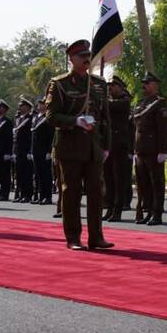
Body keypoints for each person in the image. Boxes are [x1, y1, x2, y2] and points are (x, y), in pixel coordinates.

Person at [44, 39, 113, 250]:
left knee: (96, 193)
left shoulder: (99, 84)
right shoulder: (60, 84)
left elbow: (105, 118)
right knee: (71, 193)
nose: (86, 59)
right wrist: (75, 121)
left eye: (88, 55)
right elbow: (51, 116)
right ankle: (73, 238)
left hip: (93, 148)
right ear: (71, 59)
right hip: (70, 147)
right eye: (81, 56)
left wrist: (106, 146)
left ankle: (96, 237)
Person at [132, 72, 167, 226]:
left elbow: (163, 129)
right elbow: (136, 128)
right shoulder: (141, 103)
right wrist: (134, 149)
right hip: (141, 149)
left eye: (147, 83)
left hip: (153, 150)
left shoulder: (160, 104)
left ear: (155, 85)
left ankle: (157, 214)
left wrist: (162, 150)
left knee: (156, 183)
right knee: (143, 183)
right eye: (144, 83)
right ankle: (147, 211)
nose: (144, 86)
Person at [104, 76, 132, 221]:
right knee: (108, 179)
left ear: (121, 87)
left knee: (118, 180)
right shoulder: (109, 101)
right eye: (109, 86)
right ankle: (109, 208)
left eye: (113, 86)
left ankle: (117, 210)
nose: (110, 88)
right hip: (108, 144)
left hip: (119, 145)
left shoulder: (124, 101)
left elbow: (111, 106)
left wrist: (101, 98)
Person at [32, 98, 55, 205]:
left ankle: (47, 196)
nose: (40, 105)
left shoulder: (48, 118)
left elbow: (50, 135)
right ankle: (40, 196)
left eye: (42, 104)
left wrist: (49, 151)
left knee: (46, 174)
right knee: (38, 174)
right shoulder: (37, 117)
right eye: (39, 104)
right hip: (36, 150)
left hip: (44, 150)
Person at [12, 97, 34, 203]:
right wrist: (14, 151)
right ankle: (20, 194)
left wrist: (30, 151)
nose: (20, 108)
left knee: (27, 174)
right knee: (19, 173)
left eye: (22, 106)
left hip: (26, 150)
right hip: (18, 150)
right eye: (20, 106)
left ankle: (27, 195)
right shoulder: (18, 119)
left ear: (28, 108)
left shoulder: (30, 119)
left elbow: (31, 136)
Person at [0, 99, 14, 201]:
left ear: (5, 109)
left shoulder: (7, 122)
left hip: (4, 152)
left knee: (4, 174)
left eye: (0, 107)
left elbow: (9, 139)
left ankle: (4, 194)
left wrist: (8, 153)